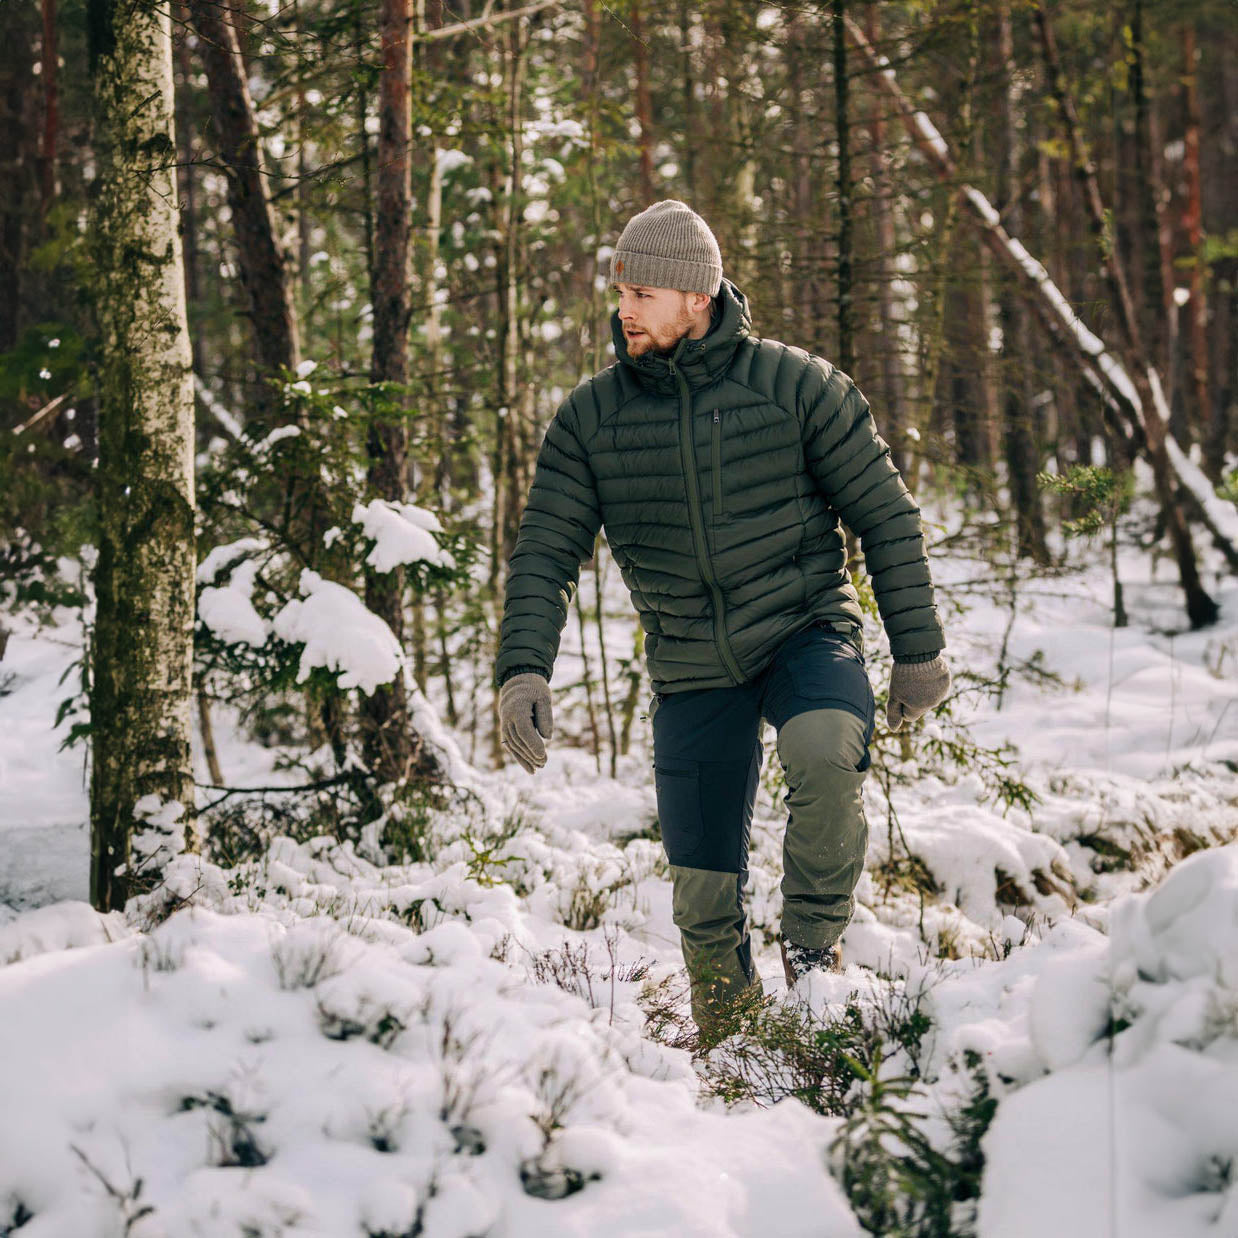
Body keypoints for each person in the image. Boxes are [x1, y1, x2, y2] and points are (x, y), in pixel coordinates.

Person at [494, 200, 949, 1037]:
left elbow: (885, 515)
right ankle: (732, 1045)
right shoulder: (591, 419)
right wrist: (524, 669)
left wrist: (917, 651)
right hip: (691, 662)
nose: (624, 310)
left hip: (803, 628)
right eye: (621, 292)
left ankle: (812, 956)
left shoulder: (797, 387)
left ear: (696, 298)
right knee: (703, 895)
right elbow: (545, 553)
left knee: (825, 749)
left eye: (642, 293)